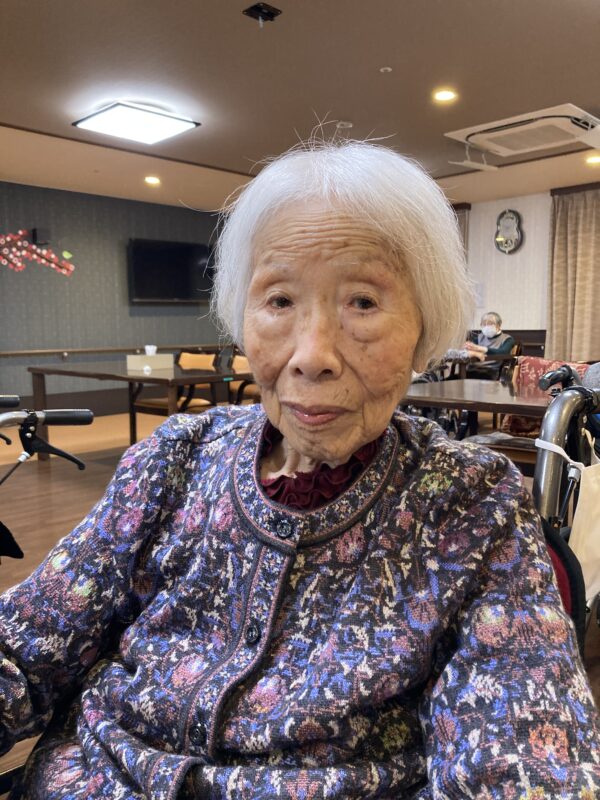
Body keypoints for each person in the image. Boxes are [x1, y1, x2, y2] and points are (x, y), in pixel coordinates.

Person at [0, 142, 598, 799]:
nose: (312, 355)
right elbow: (25, 644)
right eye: (280, 300)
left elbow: (523, 758)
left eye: (362, 302)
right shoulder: (173, 457)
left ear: (423, 326)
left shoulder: (472, 503)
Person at [464, 311, 516, 379]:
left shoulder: (507, 339)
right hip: (473, 369)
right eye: (484, 324)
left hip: (491, 371)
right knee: (454, 378)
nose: (486, 326)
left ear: (499, 325)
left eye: (490, 323)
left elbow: (504, 352)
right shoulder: (479, 337)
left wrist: (482, 349)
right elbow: (468, 349)